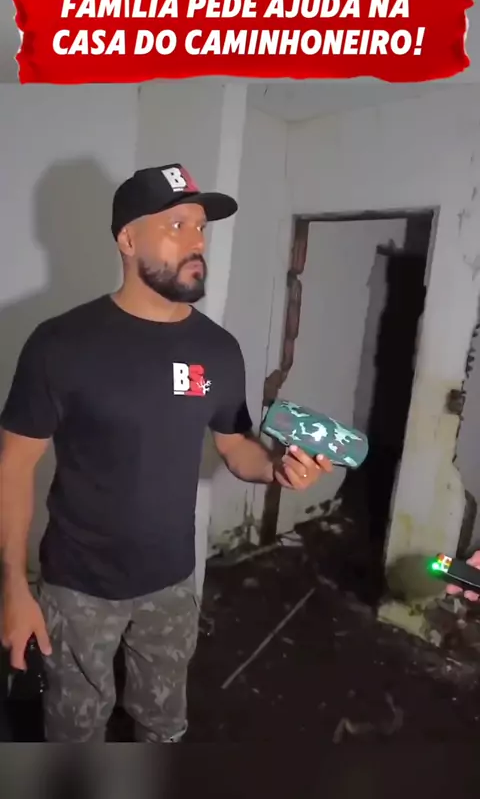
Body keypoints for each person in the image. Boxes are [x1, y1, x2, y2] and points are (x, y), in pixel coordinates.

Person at [0, 163, 333, 743]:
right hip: (77, 586)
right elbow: (13, 466)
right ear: (128, 241)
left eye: (200, 227)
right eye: (177, 225)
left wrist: (277, 468)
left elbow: (235, 444)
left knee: (164, 725)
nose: (197, 241)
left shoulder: (218, 349)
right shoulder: (60, 345)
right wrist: (13, 586)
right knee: (75, 731)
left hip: (172, 583)